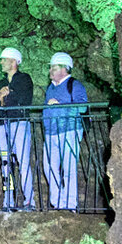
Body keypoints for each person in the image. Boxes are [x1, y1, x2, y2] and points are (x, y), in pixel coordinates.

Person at [42, 52, 87, 210]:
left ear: (64, 69)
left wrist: (60, 105)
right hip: (51, 132)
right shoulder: (50, 88)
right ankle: (58, 203)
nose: (50, 71)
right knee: (49, 167)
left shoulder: (74, 85)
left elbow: (82, 107)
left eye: (53, 68)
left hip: (69, 130)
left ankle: (70, 204)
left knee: (68, 169)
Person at [0, 47, 36, 210]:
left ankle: (29, 201)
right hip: (3, 124)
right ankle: (8, 201)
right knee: (5, 163)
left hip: (19, 122)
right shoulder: (0, 83)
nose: (1, 62)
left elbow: (25, 99)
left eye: (4, 60)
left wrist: (8, 93)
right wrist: (0, 97)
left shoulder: (24, 79)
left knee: (23, 162)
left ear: (13, 62)